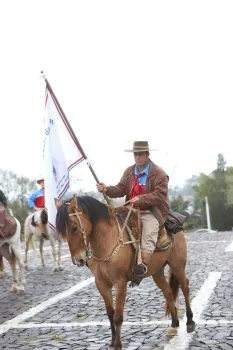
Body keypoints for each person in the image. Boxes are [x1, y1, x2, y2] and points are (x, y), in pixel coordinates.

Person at [96, 141, 170, 284]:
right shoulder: (129, 171)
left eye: (140, 154)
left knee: (148, 233)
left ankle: (142, 266)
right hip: (130, 210)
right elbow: (121, 188)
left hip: (152, 211)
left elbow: (160, 195)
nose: (137, 157)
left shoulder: (159, 174)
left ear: (147, 154)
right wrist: (107, 189)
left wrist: (142, 199)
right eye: (135, 154)